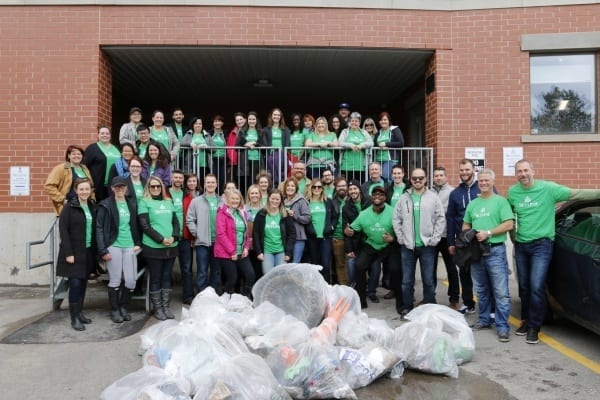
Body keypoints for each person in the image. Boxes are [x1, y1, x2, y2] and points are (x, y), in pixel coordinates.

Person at [508, 159, 600, 344]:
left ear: (533, 171)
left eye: (526, 170)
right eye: (519, 171)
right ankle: (526, 320)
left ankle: (535, 326)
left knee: (536, 286)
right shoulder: (513, 192)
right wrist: (514, 237)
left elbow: (578, 194)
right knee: (524, 286)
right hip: (522, 245)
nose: (523, 174)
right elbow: (510, 216)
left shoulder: (548, 189)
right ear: (516, 174)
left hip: (541, 245)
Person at [463, 169, 514, 342]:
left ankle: (502, 326)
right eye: (481, 181)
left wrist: (488, 232)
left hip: (495, 251)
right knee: (482, 290)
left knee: (501, 292)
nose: (483, 183)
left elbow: (508, 224)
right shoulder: (473, 204)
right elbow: (466, 224)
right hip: (477, 252)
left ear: (493, 181)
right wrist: (469, 233)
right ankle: (484, 320)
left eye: (486, 180)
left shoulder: (500, 202)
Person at [393, 168, 445, 318]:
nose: (417, 181)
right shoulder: (404, 198)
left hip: (427, 246)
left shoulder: (433, 197)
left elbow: (440, 218)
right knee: (407, 281)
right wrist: (401, 238)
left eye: (420, 178)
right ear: (410, 180)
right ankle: (407, 308)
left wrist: (434, 239)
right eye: (414, 178)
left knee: (428, 280)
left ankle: (429, 308)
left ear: (425, 179)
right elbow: (396, 219)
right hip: (408, 246)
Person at [96, 176, 141, 323]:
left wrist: (137, 242)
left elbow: (135, 225)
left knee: (131, 280)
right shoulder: (105, 205)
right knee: (115, 279)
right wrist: (103, 250)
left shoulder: (131, 204)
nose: (120, 189)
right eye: (117, 187)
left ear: (126, 188)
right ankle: (115, 310)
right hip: (113, 245)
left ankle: (123, 307)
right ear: (112, 188)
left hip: (129, 245)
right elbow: (99, 229)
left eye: (122, 187)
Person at [344, 185, 395, 308]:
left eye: (381, 194)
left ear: (385, 197)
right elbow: (351, 229)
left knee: (396, 268)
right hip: (371, 244)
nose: (377, 197)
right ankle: (361, 300)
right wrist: (348, 231)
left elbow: (402, 230)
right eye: (375, 194)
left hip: (389, 245)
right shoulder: (363, 214)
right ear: (372, 197)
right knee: (359, 266)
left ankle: (401, 299)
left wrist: (393, 239)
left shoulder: (393, 211)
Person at [56, 178, 96, 331]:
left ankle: (80, 314)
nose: (84, 192)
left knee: (84, 284)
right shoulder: (69, 207)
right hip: (73, 253)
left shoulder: (92, 206)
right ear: (76, 190)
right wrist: (68, 253)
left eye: (87, 189)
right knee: (75, 284)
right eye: (81, 189)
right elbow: (63, 231)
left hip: (87, 252)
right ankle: (74, 319)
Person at [138, 176, 179, 321]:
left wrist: (174, 237)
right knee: (156, 278)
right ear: (148, 188)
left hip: (171, 246)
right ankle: (157, 308)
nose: (155, 189)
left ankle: (166, 306)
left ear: (162, 187)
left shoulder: (168, 202)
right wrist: (161, 239)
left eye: (157, 186)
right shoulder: (144, 202)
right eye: (152, 186)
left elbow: (175, 222)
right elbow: (145, 226)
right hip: (153, 247)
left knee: (167, 276)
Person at [446, 159, 480, 315]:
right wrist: (451, 242)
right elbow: (451, 218)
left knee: (483, 274)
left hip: (481, 239)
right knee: (464, 273)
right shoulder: (455, 193)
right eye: (462, 170)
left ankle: (490, 307)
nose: (464, 172)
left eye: (467, 169)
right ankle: (468, 303)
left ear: (473, 169)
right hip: (462, 241)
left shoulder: (484, 187)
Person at [186, 174, 224, 294]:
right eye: (208, 182)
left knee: (216, 271)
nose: (211, 184)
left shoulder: (222, 201)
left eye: (213, 182)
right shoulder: (196, 201)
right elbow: (190, 219)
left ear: (216, 184)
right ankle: (202, 296)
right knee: (202, 271)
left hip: (218, 243)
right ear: (204, 184)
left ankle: (212, 296)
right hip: (202, 242)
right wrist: (196, 233)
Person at [214, 189, 255, 297]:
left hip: (241, 252)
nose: (235, 201)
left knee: (250, 275)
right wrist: (232, 252)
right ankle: (224, 298)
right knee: (232, 279)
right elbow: (221, 234)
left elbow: (246, 233)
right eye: (233, 198)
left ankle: (245, 298)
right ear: (227, 199)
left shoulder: (242, 213)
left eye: (237, 199)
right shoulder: (222, 212)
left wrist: (246, 247)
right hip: (226, 253)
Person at [431, 166, 461, 310]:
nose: (438, 178)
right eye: (436, 176)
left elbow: (454, 216)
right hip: (431, 237)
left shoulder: (452, 192)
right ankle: (429, 297)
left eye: (441, 175)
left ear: (446, 177)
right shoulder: (428, 192)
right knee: (430, 269)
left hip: (447, 237)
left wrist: (453, 237)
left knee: (451, 269)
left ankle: (454, 299)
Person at [342, 181, 375, 297]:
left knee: (374, 267)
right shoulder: (346, 208)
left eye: (355, 189)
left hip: (371, 241)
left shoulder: (370, 202)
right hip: (355, 243)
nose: (353, 191)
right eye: (350, 189)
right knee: (351, 263)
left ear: (359, 190)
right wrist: (349, 250)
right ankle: (354, 289)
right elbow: (345, 230)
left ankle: (371, 291)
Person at [252, 189, 295, 275]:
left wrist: (288, 253)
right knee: (267, 275)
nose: (274, 201)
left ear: (281, 201)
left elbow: (292, 234)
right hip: (267, 251)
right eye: (272, 198)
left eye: (277, 199)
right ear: (268, 199)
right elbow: (255, 234)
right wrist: (259, 252)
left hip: (281, 251)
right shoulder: (261, 214)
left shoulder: (285, 215)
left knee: (282, 274)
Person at [45, 144, 94, 216]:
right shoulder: (61, 168)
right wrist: (62, 200)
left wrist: (92, 199)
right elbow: (49, 186)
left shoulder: (84, 169)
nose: (77, 156)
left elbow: (91, 186)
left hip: (85, 206)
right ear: (68, 155)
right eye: (74, 154)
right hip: (69, 207)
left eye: (79, 154)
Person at [306, 179, 336, 283]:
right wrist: (309, 229)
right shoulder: (307, 202)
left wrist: (331, 227)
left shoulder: (327, 201)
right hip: (312, 238)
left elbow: (335, 216)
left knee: (326, 265)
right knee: (315, 265)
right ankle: (317, 288)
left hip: (325, 238)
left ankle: (326, 287)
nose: (317, 189)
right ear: (311, 188)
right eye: (314, 187)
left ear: (322, 189)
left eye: (319, 187)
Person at [83, 125, 121, 202]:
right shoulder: (92, 148)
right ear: (98, 135)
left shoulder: (116, 148)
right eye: (102, 133)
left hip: (114, 185)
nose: (105, 135)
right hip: (98, 186)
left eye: (107, 133)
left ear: (110, 135)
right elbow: (84, 166)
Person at [180, 173, 200, 304]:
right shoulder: (183, 197)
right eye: (189, 181)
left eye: (194, 181)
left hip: (197, 235)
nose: (192, 183)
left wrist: (195, 236)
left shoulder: (201, 196)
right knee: (186, 267)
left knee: (199, 267)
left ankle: (198, 293)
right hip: (185, 236)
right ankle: (187, 295)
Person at [338, 112, 373, 183]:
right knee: (347, 185)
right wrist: (351, 145)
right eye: (352, 121)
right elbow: (340, 142)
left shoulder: (364, 132)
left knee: (361, 186)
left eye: (356, 121)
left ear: (359, 122)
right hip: (347, 165)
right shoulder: (345, 132)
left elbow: (371, 143)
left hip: (361, 166)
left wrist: (361, 145)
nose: (354, 123)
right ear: (349, 122)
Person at [282, 178, 311, 263]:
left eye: (292, 186)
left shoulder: (301, 200)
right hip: (285, 237)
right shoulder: (282, 201)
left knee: (295, 263)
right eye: (288, 185)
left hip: (298, 237)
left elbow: (307, 218)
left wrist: (295, 216)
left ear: (296, 188)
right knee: (285, 264)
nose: (290, 188)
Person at [259, 108, 290, 185]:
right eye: (275, 114)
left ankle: (281, 188)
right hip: (271, 154)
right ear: (271, 116)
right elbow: (262, 142)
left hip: (281, 154)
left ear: (281, 117)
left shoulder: (285, 129)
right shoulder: (265, 130)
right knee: (272, 174)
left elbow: (287, 143)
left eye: (278, 115)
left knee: (282, 173)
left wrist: (284, 153)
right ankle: (274, 188)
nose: (276, 116)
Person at [375, 112, 405, 182]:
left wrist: (386, 144)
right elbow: (375, 144)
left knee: (386, 180)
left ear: (389, 121)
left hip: (390, 159)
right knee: (380, 180)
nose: (383, 121)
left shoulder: (394, 129)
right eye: (381, 120)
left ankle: (388, 193)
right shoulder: (379, 132)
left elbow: (401, 143)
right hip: (379, 159)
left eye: (385, 120)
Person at [236, 111, 261, 194]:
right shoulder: (242, 131)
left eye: (253, 119)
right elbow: (237, 146)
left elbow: (264, 144)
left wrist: (254, 143)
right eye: (250, 119)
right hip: (246, 160)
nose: (252, 121)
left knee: (256, 181)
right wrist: (246, 144)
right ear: (247, 120)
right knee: (247, 182)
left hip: (257, 159)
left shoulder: (260, 131)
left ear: (256, 120)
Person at [180, 116, 211, 181]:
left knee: (202, 182)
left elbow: (214, 149)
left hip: (204, 164)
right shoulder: (188, 134)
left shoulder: (207, 135)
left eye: (200, 124)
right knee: (192, 182)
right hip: (191, 163)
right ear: (193, 125)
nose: (198, 125)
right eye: (196, 123)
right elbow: (181, 143)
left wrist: (206, 146)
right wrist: (190, 144)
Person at [330, 177, 349, 285]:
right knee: (340, 264)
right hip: (338, 237)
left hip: (352, 237)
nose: (341, 188)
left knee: (353, 264)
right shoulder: (332, 202)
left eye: (343, 185)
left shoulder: (352, 200)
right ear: (335, 188)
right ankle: (343, 286)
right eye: (339, 186)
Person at [244, 184, 263, 280]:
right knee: (248, 271)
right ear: (248, 195)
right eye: (252, 193)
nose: (254, 195)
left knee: (259, 270)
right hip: (247, 244)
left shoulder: (265, 209)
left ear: (260, 194)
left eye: (256, 193)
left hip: (261, 244)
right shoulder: (243, 209)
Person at [226, 112, 246, 187]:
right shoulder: (233, 131)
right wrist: (230, 157)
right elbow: (229, 145)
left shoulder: (248, 130)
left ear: (245, 120)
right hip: (235, 161)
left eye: (241, 119)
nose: (239, 121)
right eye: (237, 120)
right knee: (236, 181)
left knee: (245, 180)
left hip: (244, 160)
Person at [211, 115, 228, 191]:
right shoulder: (209, 132)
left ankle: (221, 193)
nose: (217, 123)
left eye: (219, 121)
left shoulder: (226, 132)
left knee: (222, 177)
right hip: (212, 158)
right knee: (213, 177)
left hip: (223, 158)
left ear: (222, 123)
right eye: (215, 121)